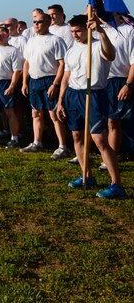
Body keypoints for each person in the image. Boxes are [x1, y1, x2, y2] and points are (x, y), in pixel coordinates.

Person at [56, 13, 126, 199]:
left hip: (94, 94)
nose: (75, 34)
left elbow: (110, 55)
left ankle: (116, 184)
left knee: (99, 140)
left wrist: (100, 31)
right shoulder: (71, 49)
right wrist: (61, 99)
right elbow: (66, 76)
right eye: (72, 31)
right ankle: (87, 175)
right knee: (77, 136)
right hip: (73, 95)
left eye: (78, 30)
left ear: (87, 29)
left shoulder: (98, 46)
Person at [20, 12, 70, 158]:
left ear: (48, 23)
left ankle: (62, 146)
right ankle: (37, 142)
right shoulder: (31, 41)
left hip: (50, 80)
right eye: (34, 22)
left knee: (54, 115)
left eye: (40, 22)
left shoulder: (56, 40)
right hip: (34, 80)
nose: (36, 24)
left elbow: (62, 64)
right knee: (36, 113)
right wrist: (24, 82)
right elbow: (26, 62)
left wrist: (55, 84)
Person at [101, 13, 134, 169]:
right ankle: (110, 155)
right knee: (108, 121)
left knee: (118, 120)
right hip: (102, 81)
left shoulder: (128, 31)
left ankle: (114, 155)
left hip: (121, 80)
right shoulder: (99, 31)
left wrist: (128, 84)